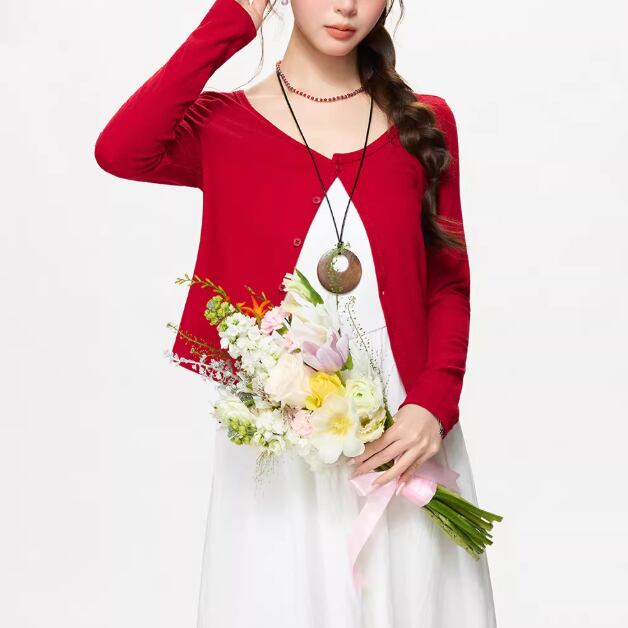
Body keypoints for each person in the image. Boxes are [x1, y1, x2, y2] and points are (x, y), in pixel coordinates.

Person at [94, 0, 498, 626]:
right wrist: (232, 20)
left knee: (415, 600)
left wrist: (433, 404)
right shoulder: (223, 125)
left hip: (404, 433)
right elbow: (121, 150)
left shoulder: (425, 122)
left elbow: (448, 281)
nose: (347, 6)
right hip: (279, 441)